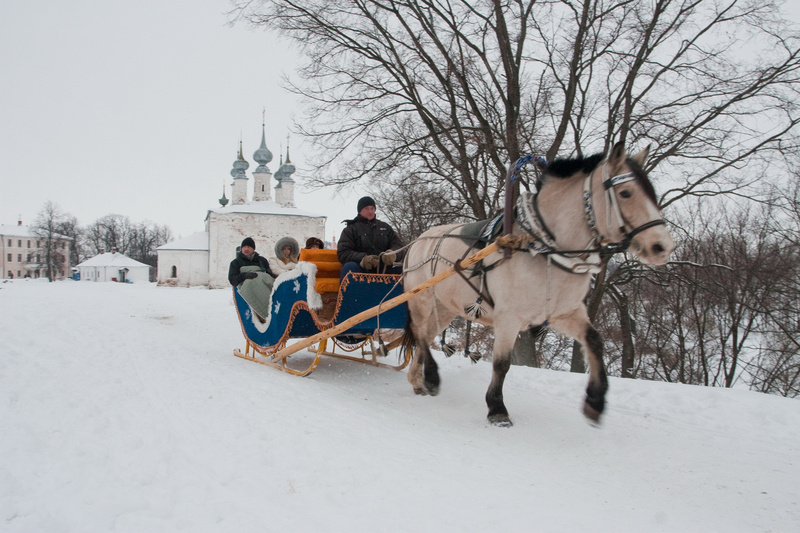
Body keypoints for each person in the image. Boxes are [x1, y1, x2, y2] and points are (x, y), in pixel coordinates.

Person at [337, 196, 404, 279]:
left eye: (372, 208)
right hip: (360, 269)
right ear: (360, 211)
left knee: (404, 270)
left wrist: (393, 254)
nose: (370, 211)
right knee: (349, 267)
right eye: (367, 208)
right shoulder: (350, 229)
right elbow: (343, 252)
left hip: (384, 269)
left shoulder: (385, 228)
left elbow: (399, 246)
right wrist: (363, 259)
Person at [229, 237, 276, 322]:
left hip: (264, 286)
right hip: (249, 288)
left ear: (253, 248)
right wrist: (244, 275)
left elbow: (269, 274)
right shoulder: (235, 263)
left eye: (249, 247)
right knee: (250, 283)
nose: (246, 249)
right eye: (244, 247)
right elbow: (232, 279)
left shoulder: (261, 260)